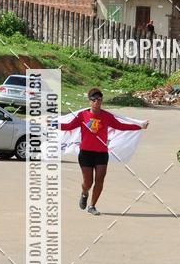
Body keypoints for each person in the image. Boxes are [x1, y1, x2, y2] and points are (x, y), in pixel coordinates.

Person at [59, 87, 148, 215]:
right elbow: (69, 126)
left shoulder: (106, 116)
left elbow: (121, 126)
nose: (97, 102)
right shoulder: (82, 115)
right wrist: (53, 124)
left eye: (99, 100)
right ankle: (84, 193)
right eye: (94, 100)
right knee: (88, 182)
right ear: (90, 101)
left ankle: (92, 206)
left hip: (101, 153)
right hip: (86, 153)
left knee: (100, 180)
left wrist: (139, 126)